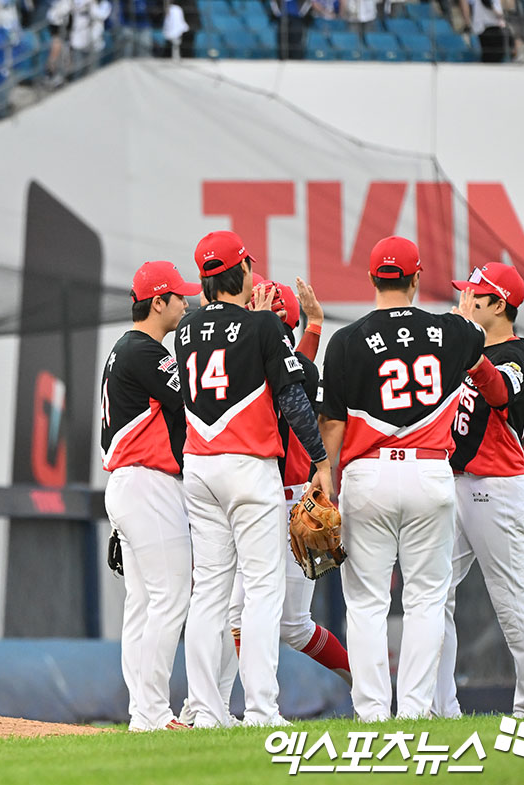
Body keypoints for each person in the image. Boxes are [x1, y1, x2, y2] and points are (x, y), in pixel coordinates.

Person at [318, 235, 486, 722]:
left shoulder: (347, 340)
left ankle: (372, 713)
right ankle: (414, 711)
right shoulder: (452, 332)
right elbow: (476, 341)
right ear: (415, 279)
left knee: (367, 602)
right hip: (430, 473)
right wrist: (459, 317)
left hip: (367, 475)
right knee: (427, 599)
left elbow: (333, 422)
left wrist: (323, 475)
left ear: (372, 278)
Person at [174, 230, 331, 728]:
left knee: (210, 594)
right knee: (263, 590)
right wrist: (321, 460)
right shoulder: (263, 327)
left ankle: (205, 710)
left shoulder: (184, 329)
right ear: (242, 271)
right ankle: (262, 710)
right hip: (248, 467)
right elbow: (293, 397)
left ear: (203, 278)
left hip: (198, 467)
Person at [434, 262, 524, 719]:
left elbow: (499, 391)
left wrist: (467, 340)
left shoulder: (515, 353)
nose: (466, 300)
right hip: (459, 485)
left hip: (496, 489)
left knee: (512, 598)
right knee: (433, 593)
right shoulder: (471, 344)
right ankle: (441, 708)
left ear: (499, 304)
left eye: (475, 296)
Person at [100, 260, 200, 732]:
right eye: (179, 296)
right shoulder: (145, 351)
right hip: (147, 482)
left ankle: (144, 711)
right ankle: (154, 712)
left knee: (143, 602)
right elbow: (194, 400)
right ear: (157, 302)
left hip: (129, 482)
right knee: (169, 597)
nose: (186, 302)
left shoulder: (125, 349)